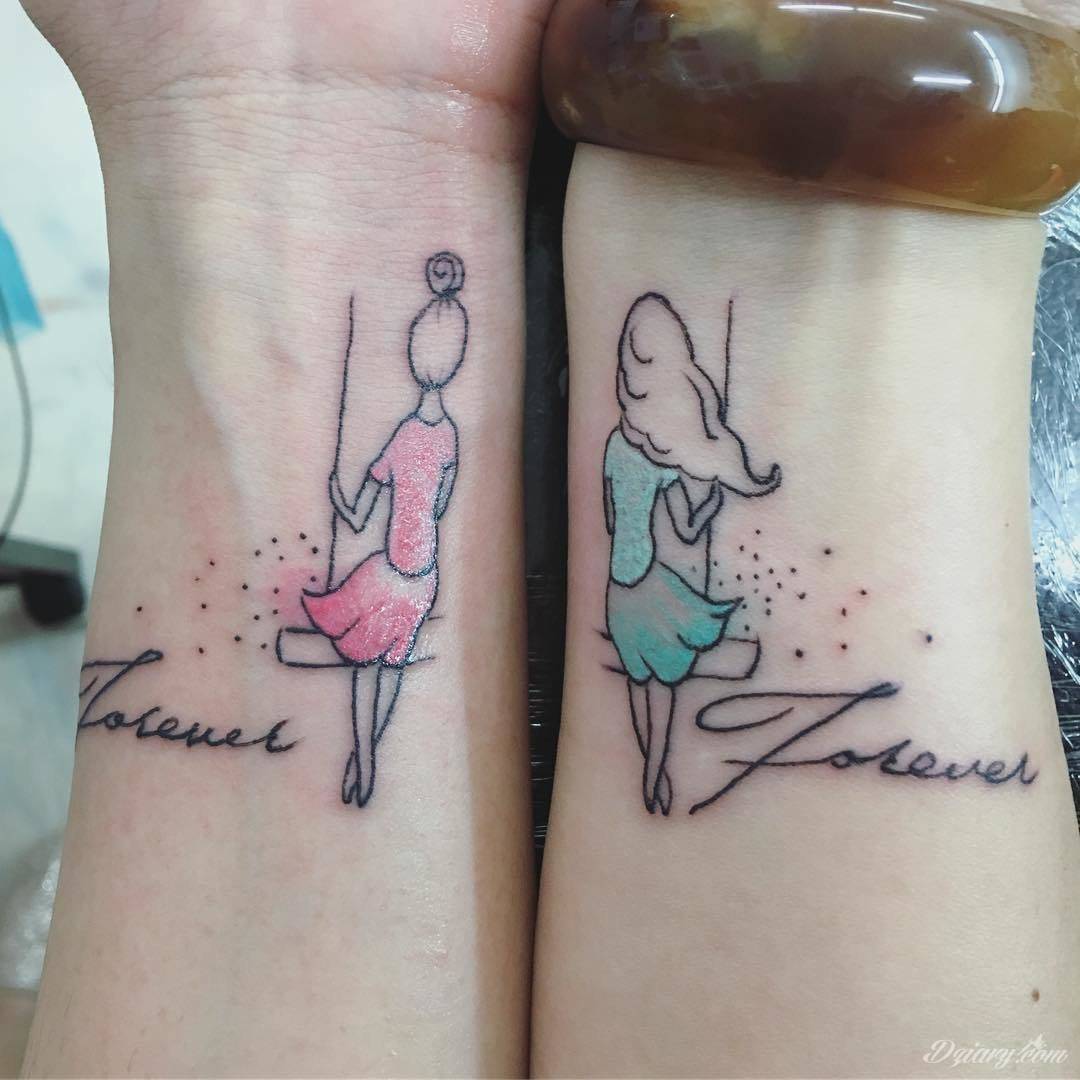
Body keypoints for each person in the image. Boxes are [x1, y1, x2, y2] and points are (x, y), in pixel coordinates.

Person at [604, 292, 781, 814]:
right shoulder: (661, 462)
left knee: (638, 680)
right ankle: (654, 773)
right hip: (649, 590)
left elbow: (612, 519)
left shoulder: (614, 445)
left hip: (618, 588)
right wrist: (712, 503)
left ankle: (652, 769)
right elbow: (684, 529)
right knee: (663, 682)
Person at [303, 253, 466, 807]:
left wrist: (335, 492)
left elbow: (358, 515)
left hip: (395, 574)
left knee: (362, 659)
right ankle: (370, 750)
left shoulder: (403, 437)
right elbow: (439, 508)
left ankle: (365, 757)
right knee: (393, 661)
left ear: (416, 358)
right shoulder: (450, 439)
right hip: (424, 579)